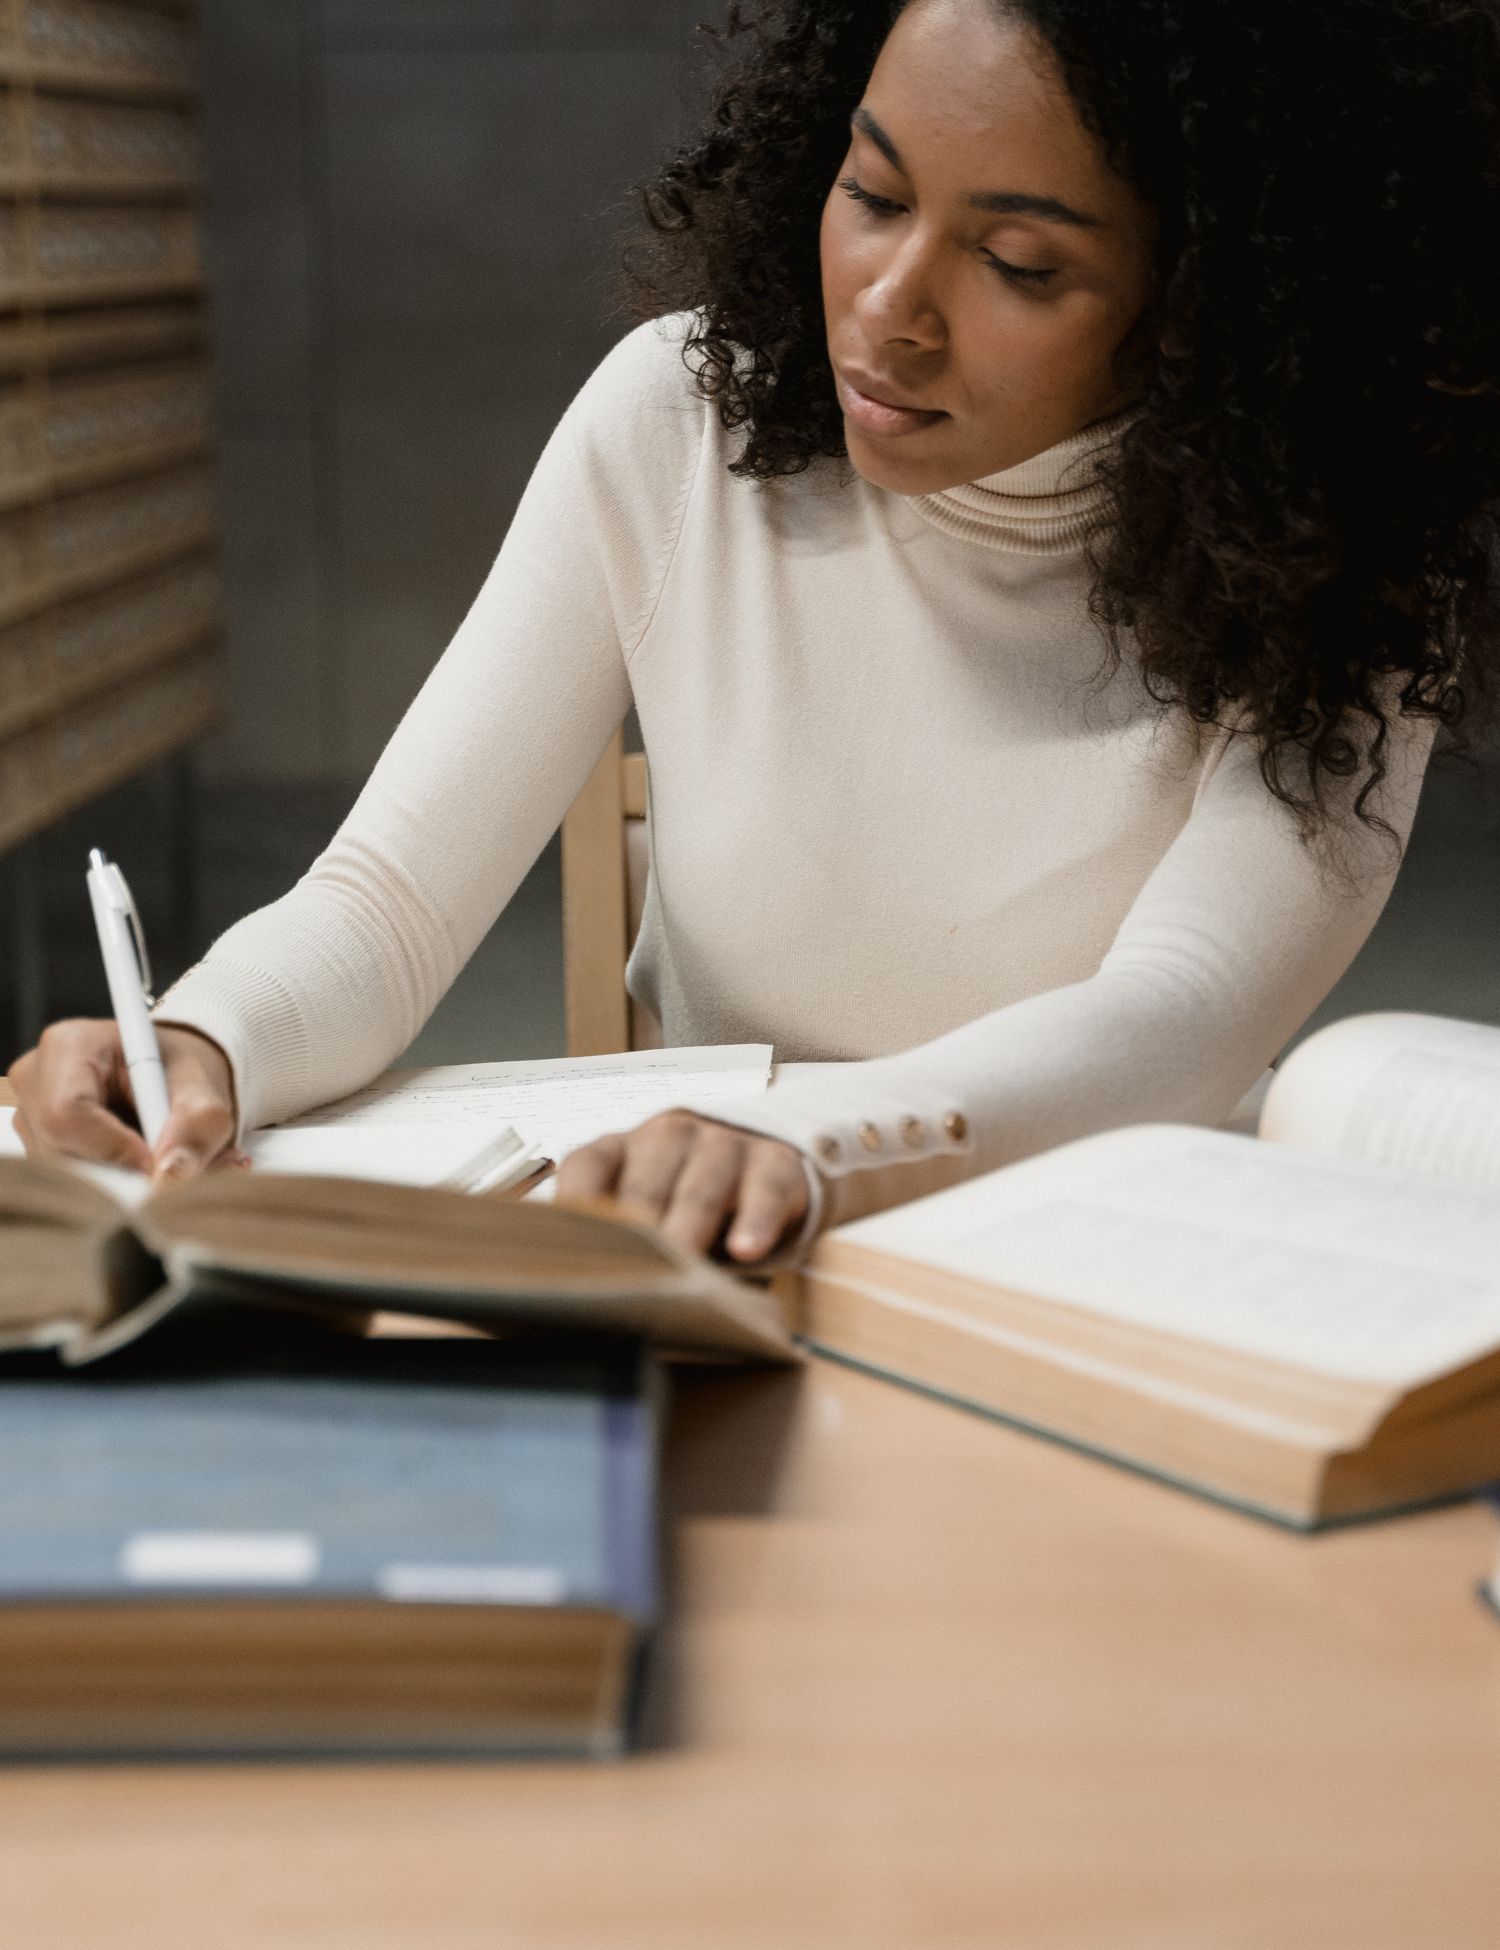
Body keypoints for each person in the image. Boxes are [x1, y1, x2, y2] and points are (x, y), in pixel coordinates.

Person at [11, 0, 1500, 1267]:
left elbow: (1181, 1019)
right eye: (873, 192)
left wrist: (804, 1146)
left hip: (1100, 1286)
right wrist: (198, 1046)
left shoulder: (1343, 561)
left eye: (1021, 265)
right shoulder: (679, 425)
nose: (891, 308)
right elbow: (389, 900)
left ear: (1205, 304)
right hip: (722, 1279)